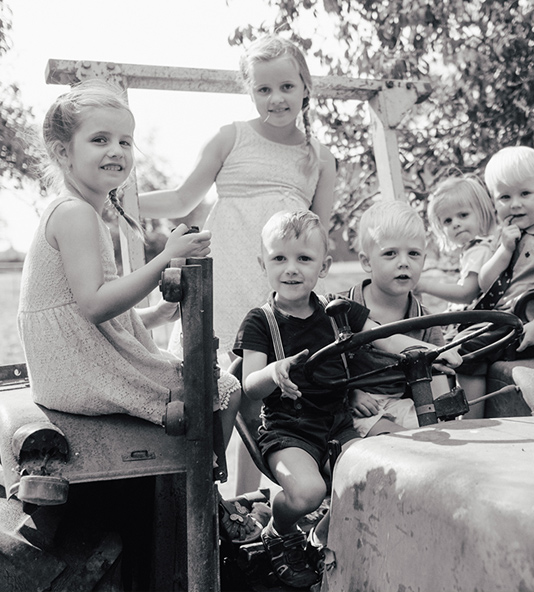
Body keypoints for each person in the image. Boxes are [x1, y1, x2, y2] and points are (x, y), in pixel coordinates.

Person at [139, 34, 336, 495]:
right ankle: (199, 495)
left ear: (305, 87)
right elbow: (183, 197)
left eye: (286, 86)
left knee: (260, 397)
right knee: (211, 386)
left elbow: (318, 232)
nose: (275, 98)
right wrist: (116, 200)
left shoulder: (319, 157)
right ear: (249, 91)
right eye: (263, 89)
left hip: (276, 286)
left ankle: (255, 499)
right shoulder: (233, 136)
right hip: (225, 277)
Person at [233, 209, 460, 588]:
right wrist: (274, 372)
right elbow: (248, 385)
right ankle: (279, 529)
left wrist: (430, 351)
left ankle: (334, 544)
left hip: (338, 422)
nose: (291, 269)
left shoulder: (338, 311)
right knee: (308, 492)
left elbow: (384, 336)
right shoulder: (260, 321)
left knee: (381, 478)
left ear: (324, 266)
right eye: (279, 259)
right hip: (290, 429)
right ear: (263, 264)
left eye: (304, 259)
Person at [17, 79, 240, 435]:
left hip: (67, 365)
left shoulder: (77, 211)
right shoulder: (76, 214)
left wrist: (153, 314)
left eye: (125, 141)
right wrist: (165, 259)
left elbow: (84, 313)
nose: (116, 150)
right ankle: (201, 481)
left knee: (197, 375)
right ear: (62, 153)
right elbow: (94, 305)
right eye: (99, 140)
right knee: (224, 387)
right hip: (76, 372)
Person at [452, 146, 534, 418]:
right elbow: (487, 284)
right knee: (447, 344)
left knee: (467, 350)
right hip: (503, 321)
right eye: (505, 197)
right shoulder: (509, 235)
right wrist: (504, 250)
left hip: (531, 329)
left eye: (525, 194)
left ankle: (472, 421)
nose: (515, 204)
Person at [343, 200, 454, 436]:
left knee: (440, 435)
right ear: (366, 261)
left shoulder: (425, 321)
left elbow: (437, 377)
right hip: (353, 408)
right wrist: (349, 394)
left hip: (403, 406)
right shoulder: (344, 311)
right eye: (390, 253)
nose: (404, 262)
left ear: (423, 260)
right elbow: (324, 370)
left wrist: (445, 419)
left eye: (413, 254)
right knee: (397, 444)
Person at [418, 175, 497, 310]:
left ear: (482, 212)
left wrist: (424, 285)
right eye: (447, 221)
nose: (455, 224)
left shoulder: (480, 250)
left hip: (480, 321)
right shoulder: (475, 248)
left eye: (463, 215)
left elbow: (466, 294)